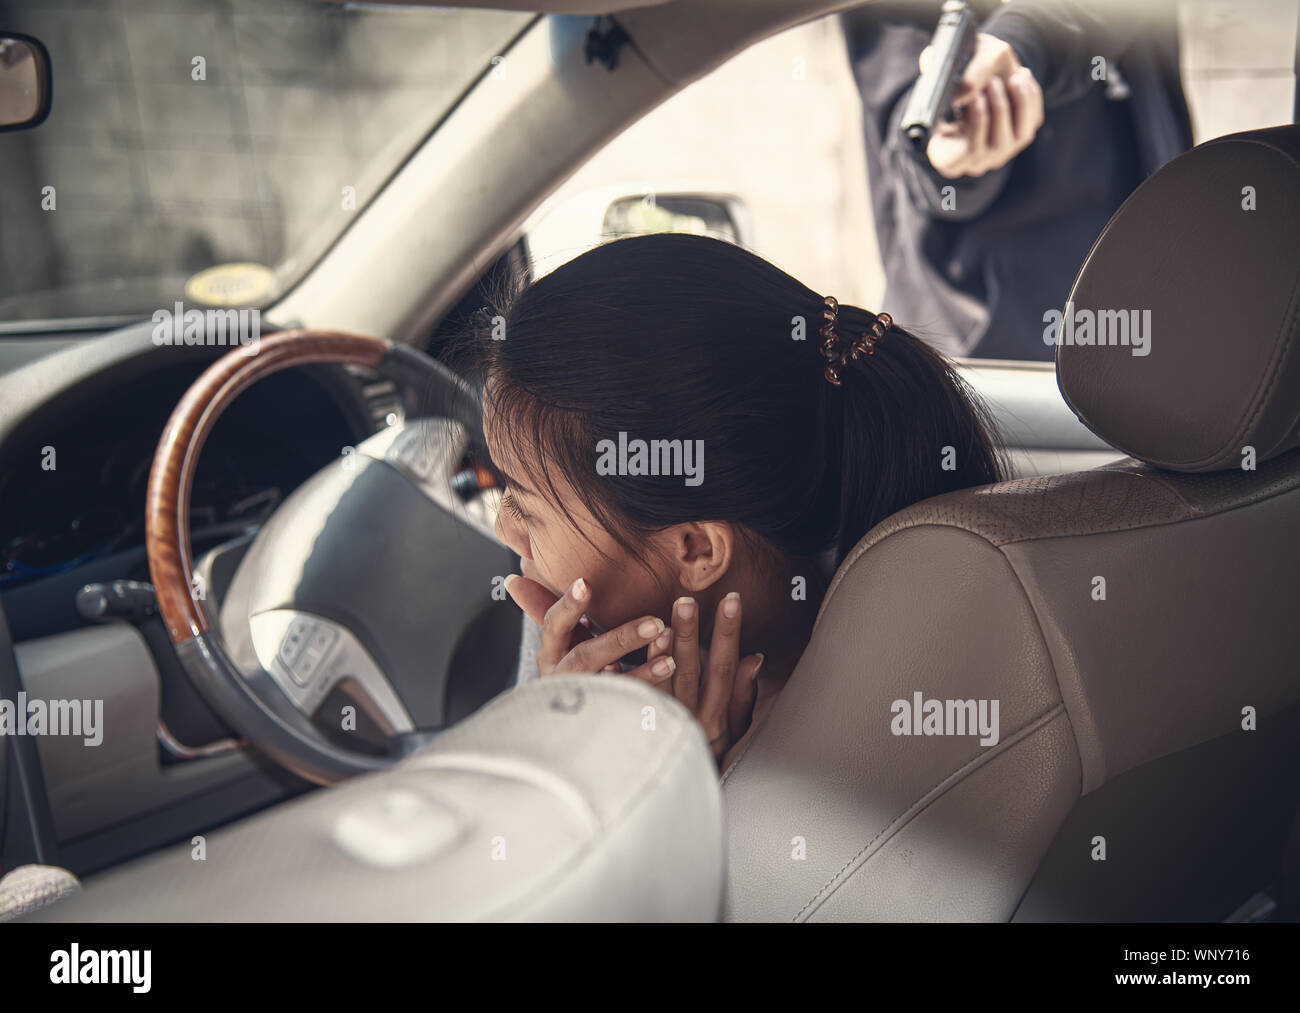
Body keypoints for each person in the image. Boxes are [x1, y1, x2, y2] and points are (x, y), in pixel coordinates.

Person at [455, 233, 1006, 772]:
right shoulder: (584, 645)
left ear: (696, 550)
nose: (505, 528)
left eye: (526, 503)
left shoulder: (858, 764)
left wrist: (592, 770)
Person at [842, 0, 1193, 360]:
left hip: (1142, 309)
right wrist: (947, 159)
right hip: (982, 349)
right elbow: (903, 122)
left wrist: (1026, 37)